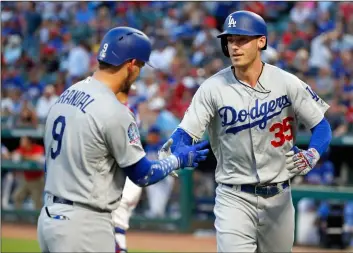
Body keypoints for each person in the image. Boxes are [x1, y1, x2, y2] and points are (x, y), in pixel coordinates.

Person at [159, 11, 332, 252]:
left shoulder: (286, 82)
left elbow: (322, 126)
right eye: (230, 40)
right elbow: (184, 133)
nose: (234, 47)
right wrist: (179, 150)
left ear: (261, 41)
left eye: (242, 39)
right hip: (234, 197)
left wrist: (312, 154)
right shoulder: (212, 88)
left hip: (279, 196)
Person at [37, 26, 209, 252]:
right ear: (131, 64)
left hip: (49, 218)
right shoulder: (113, 109)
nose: (139, 73)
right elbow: (143, 174)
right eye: (140, 66)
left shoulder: (67, 95)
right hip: (84, 225)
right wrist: (178, 159)